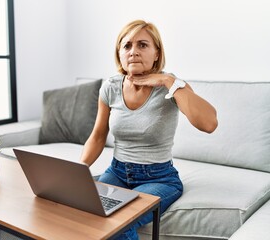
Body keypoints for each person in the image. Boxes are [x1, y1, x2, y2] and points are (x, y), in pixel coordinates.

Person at [80, 19, 218, 240]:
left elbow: (209, 124)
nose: (133, 52)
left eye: (142, 45)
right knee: (84, 213)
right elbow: (97, 136)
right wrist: (78, 170)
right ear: (120, 54)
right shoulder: (111, 87)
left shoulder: (172, 86)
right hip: (117, 172)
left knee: (119, 222)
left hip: (160, 179)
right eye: (127, 46)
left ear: (156, 53)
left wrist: (167, 80)